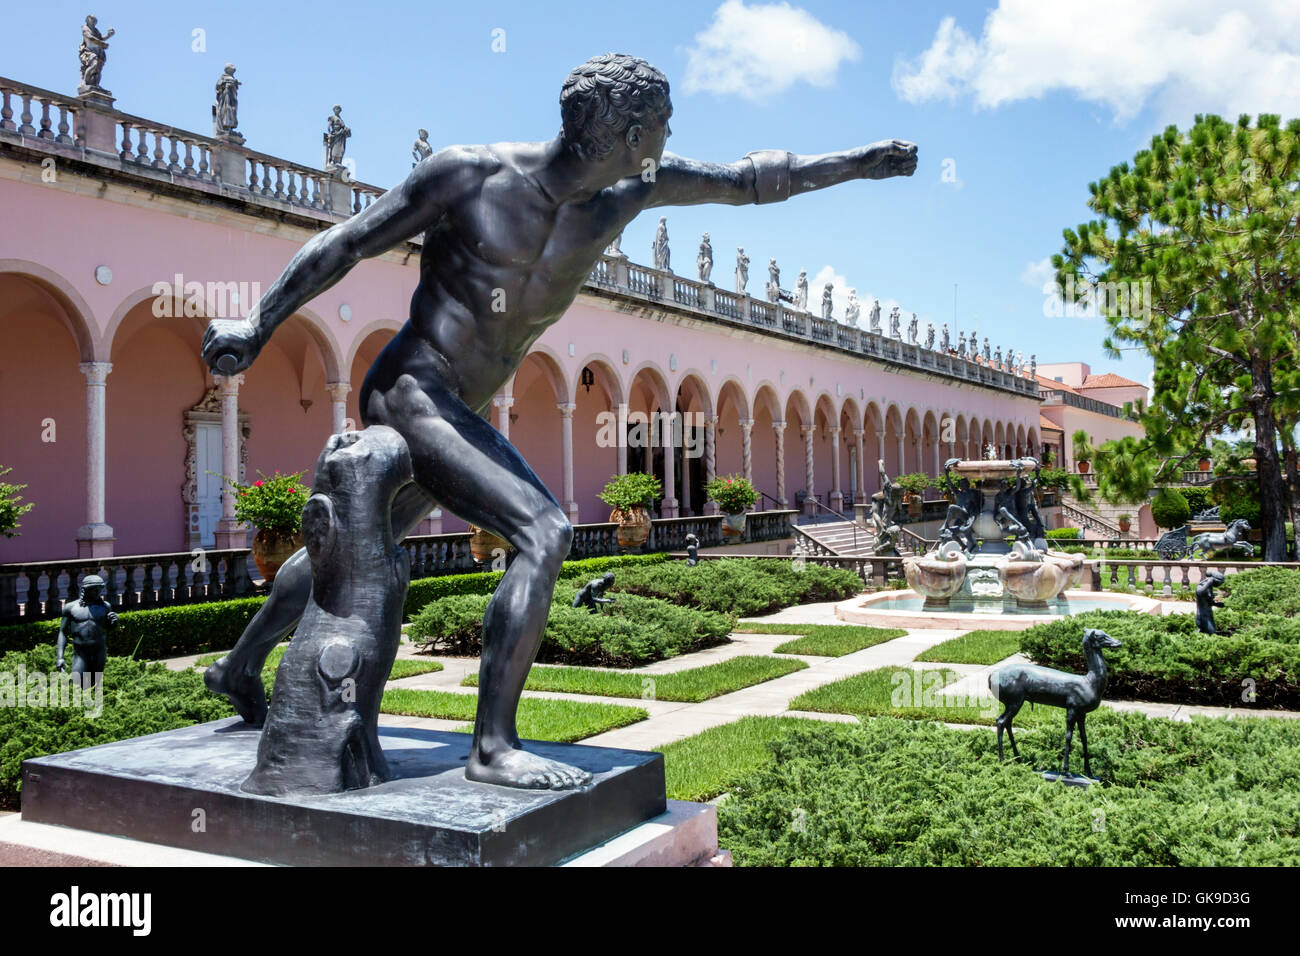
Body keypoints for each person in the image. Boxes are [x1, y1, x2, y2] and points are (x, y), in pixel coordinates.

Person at [201, 52, 917, 791]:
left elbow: (749, 181)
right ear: (631, 131)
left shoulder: (630, 192)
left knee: (359, 543)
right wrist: (257, 323)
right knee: (544, 532)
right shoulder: (469, 176)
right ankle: (492, 747)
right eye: (664, 124)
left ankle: (238, 664)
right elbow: (349, 240)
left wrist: (858, 163)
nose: (670, 137)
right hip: (412, 388)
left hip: (461, 408)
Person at [56, 574, 117, 687]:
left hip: (99, 651)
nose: (96, 592)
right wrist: (60, 657)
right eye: (93, 590)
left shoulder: (105, 607)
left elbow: (109, 629)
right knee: (77, 684)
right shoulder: (71, 608)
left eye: (98, 589)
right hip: (80, 653)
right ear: (84, 590)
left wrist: (114, 623)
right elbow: (63, 632)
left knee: (95, 685)